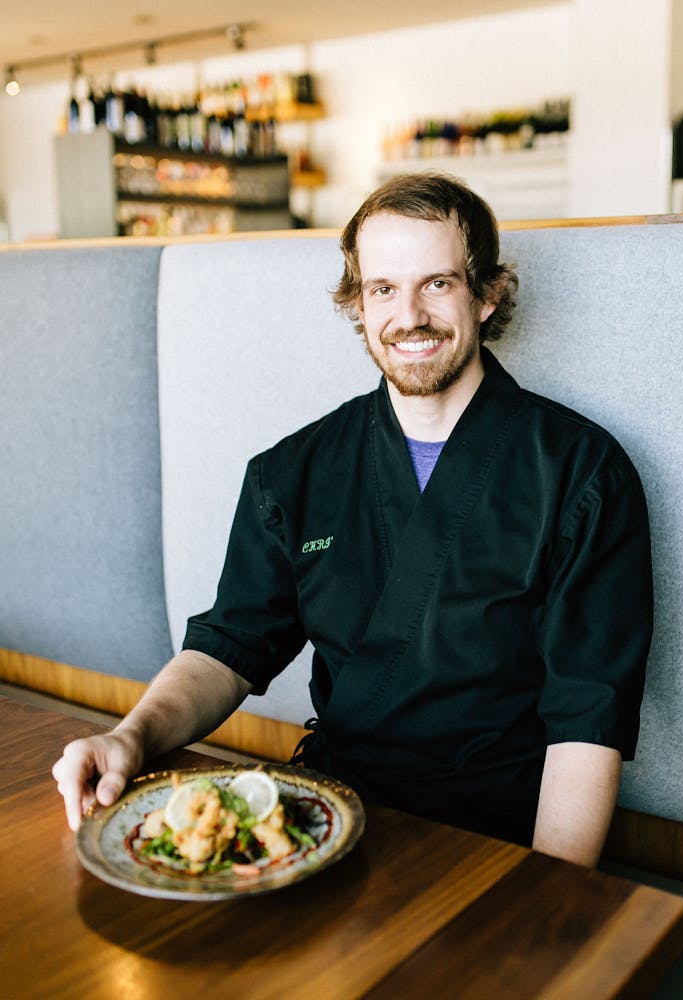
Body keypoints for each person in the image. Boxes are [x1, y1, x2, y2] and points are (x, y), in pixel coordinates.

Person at [53, 172, 652, 867]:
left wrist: (545, 903)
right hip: (326, 819)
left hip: (494, 838)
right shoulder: (293, 472)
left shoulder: (582, 474)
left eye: (438, 283)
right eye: (383, 289)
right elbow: (229, 646)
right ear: (358, 305)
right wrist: (129, 737)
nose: (410, 315)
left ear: (486, 294)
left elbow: (587, 725)